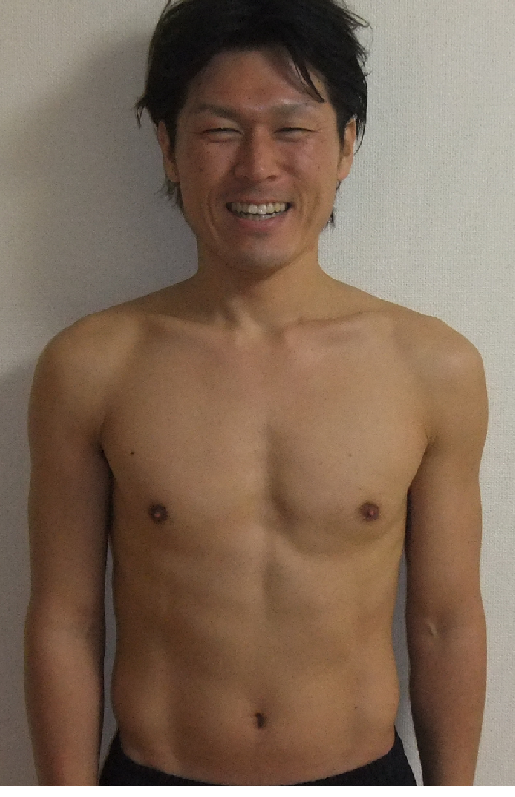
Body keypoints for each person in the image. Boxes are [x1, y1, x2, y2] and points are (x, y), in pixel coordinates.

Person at [24, 0, 488, 786]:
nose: (257, 166)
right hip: (157, 771)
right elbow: (66, 620)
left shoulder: (431, 367)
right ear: (168, 147)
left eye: (292, 128)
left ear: (346, 144)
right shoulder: (92, 365)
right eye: (219, 130)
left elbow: (445, 621)